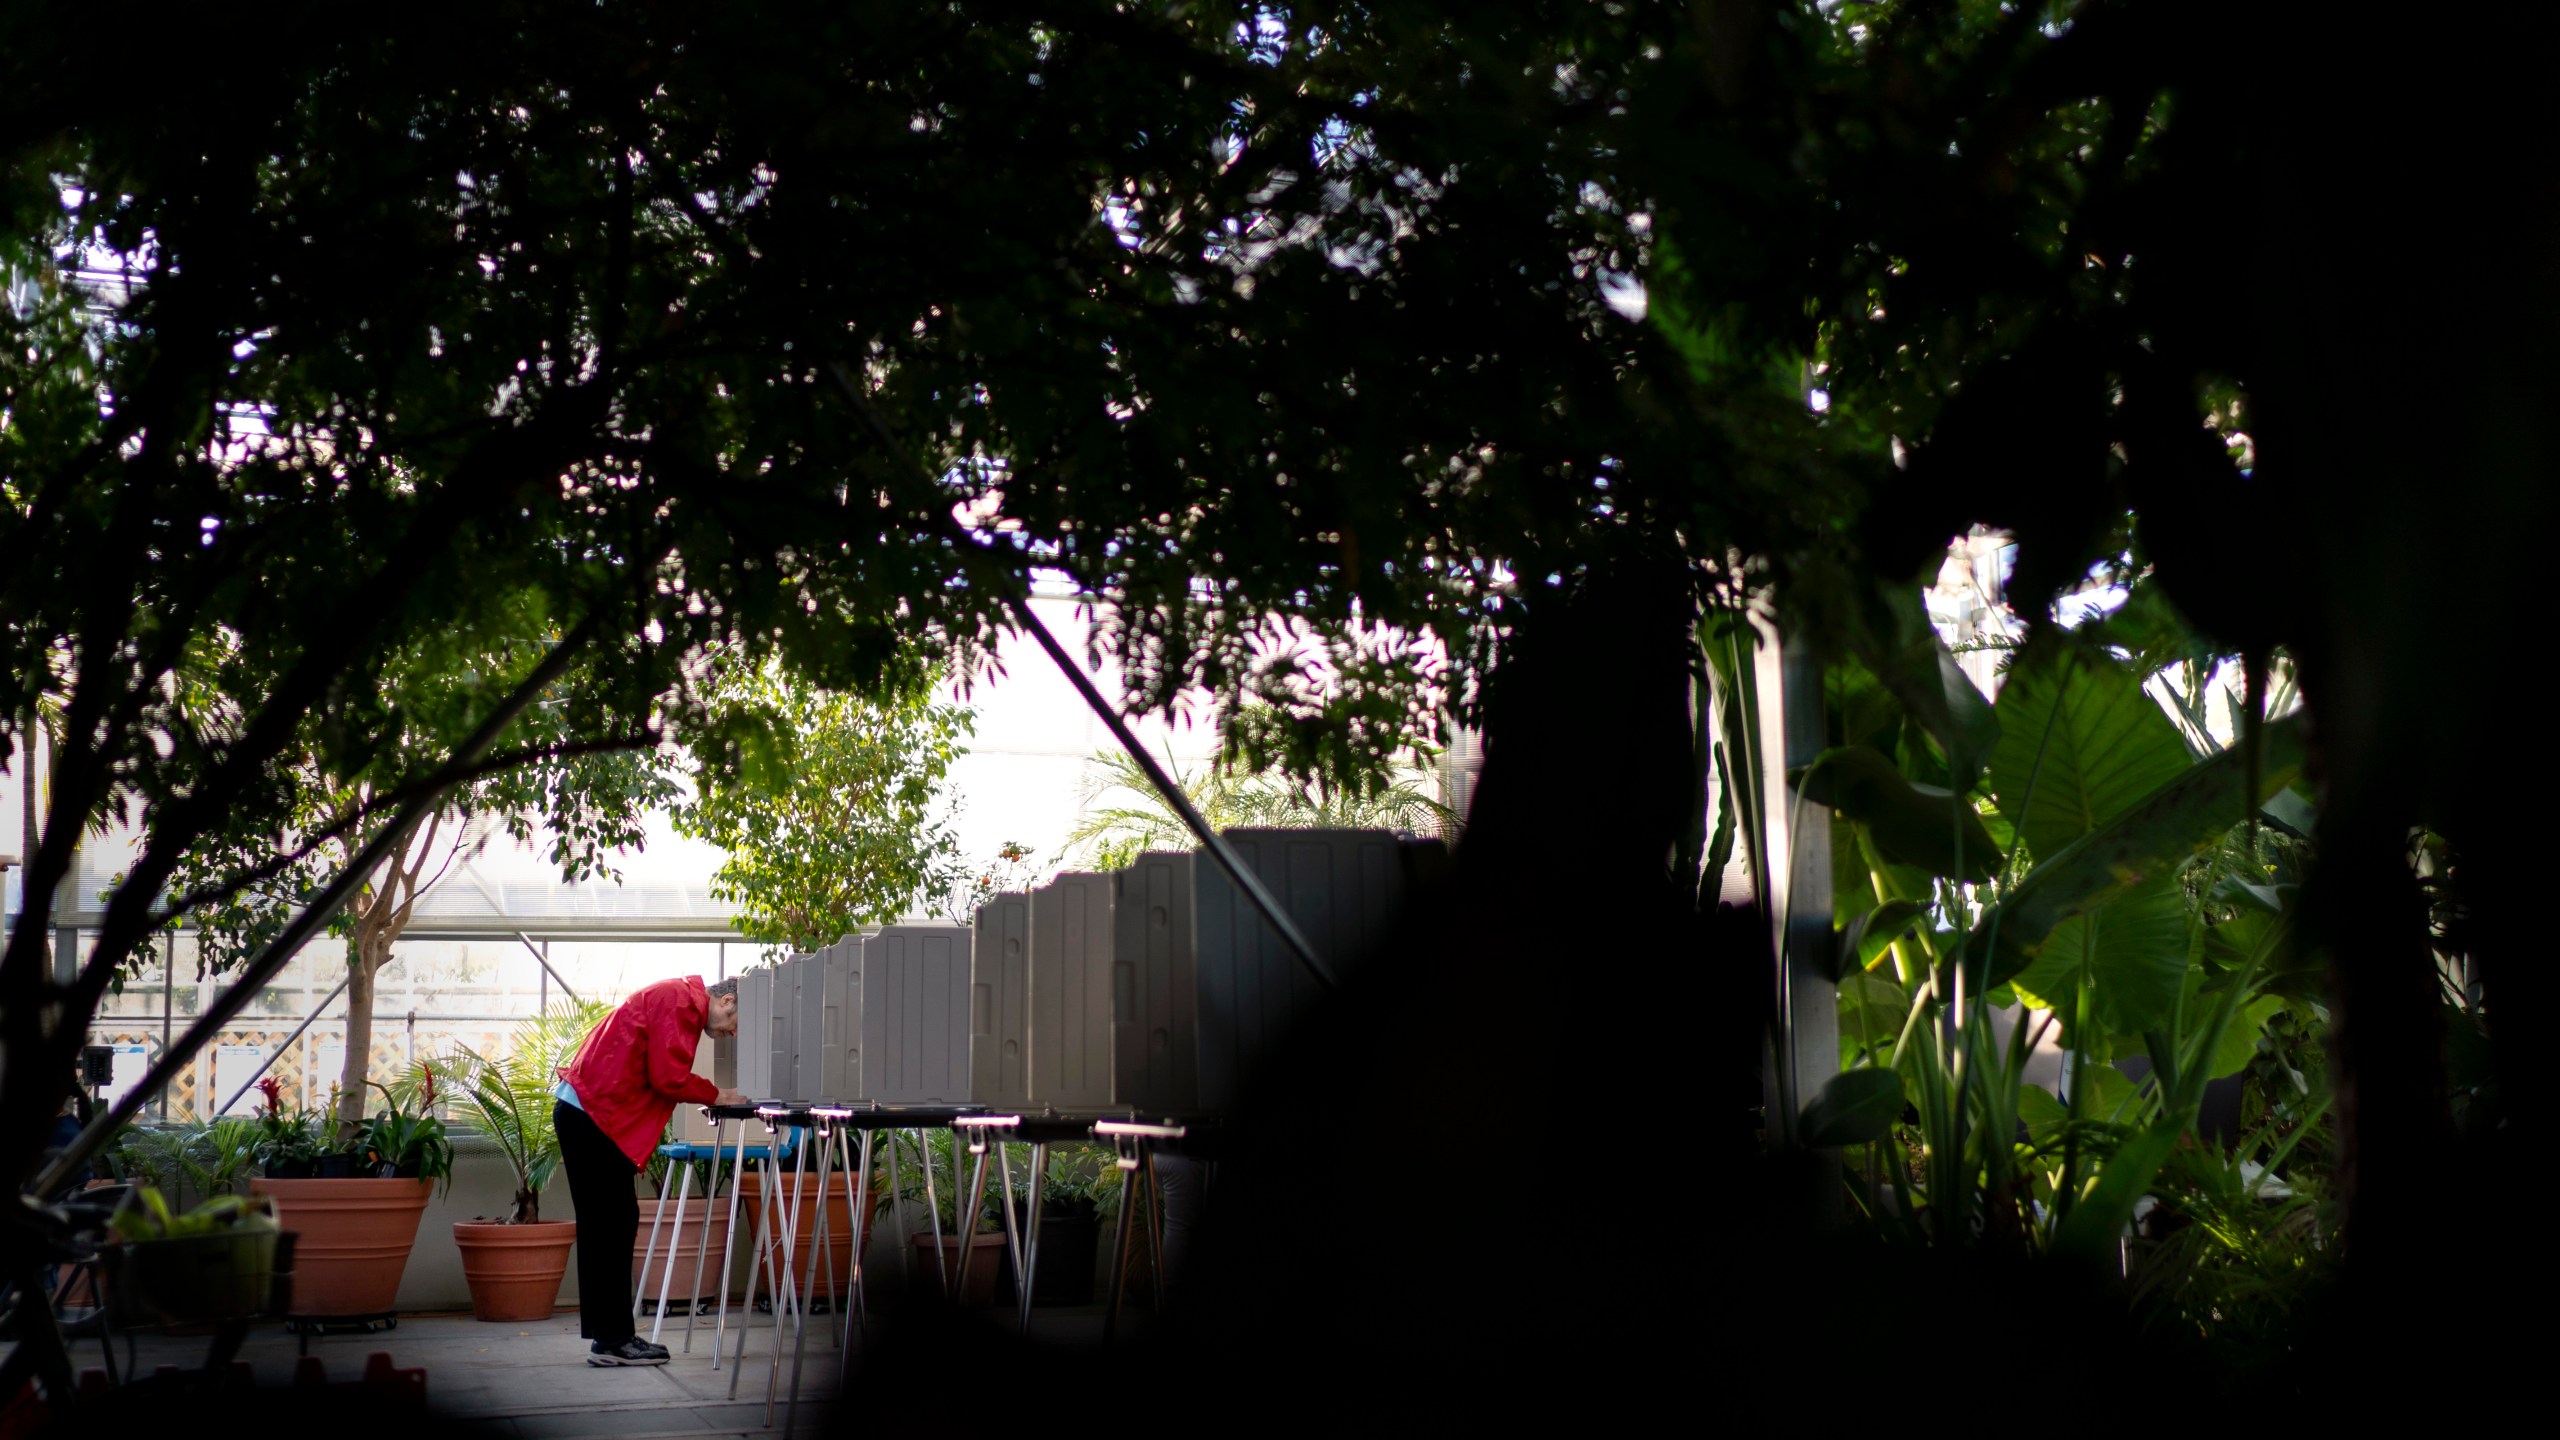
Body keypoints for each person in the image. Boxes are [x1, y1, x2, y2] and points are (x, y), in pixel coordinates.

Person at [555, 974, 745, 1366]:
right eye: (736, 1023)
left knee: (611, 1224)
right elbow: (667, 1076)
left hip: (590, 1113)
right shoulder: (680, 1002)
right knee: (610, 1225)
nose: (733, 1033)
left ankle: (609, 1338)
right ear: (727, 1000)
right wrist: (717, 1094)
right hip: (592, 1115)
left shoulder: (680, 998)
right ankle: (613, 1340)